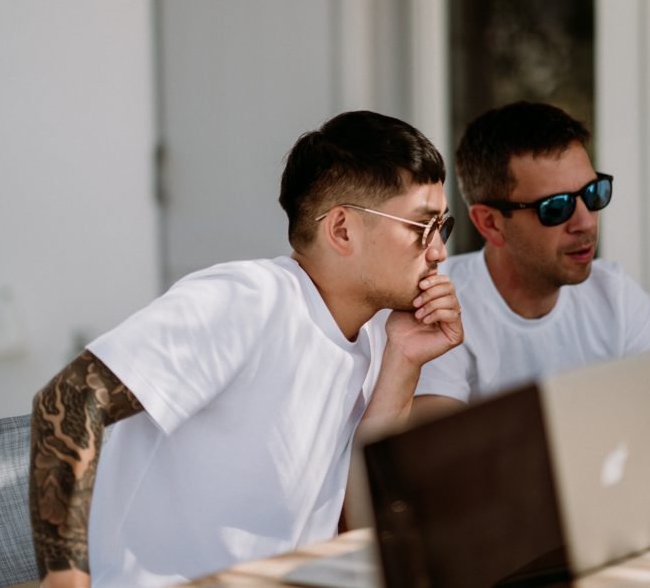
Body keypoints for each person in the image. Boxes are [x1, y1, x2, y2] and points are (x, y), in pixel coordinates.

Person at [29, 111, 463, 588]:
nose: (439, 252)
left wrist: (403, 361)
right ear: (341, 230)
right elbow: (69, 397)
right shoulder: (245, 301)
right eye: (421, 227)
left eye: (443, 227)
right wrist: (65, 580)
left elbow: (357, 527)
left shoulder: (379, 333)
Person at [412, 101, 650, 437]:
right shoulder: (440, 304)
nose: (585, 222)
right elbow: (441, 452)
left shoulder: (615, 294)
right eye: (556, 207)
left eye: (593, 193)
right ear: (491, 223)